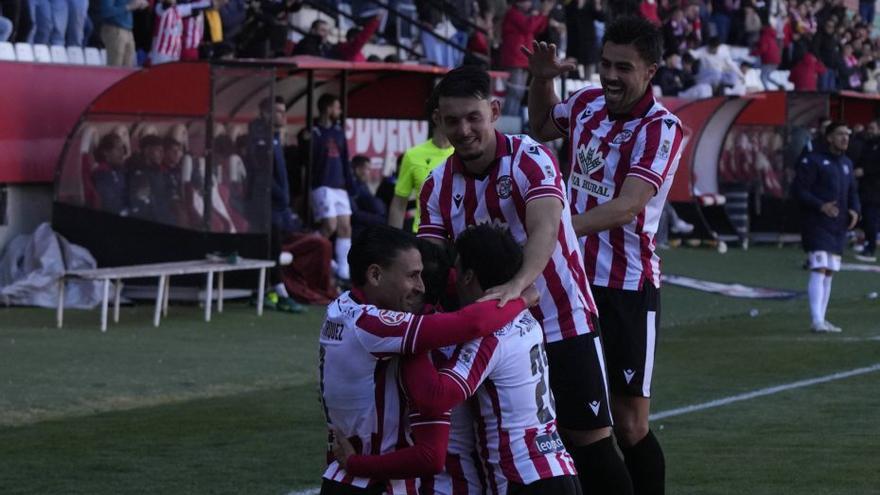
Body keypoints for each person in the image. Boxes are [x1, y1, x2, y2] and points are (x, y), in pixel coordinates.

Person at [418, 65, 632, 495]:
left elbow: (545, 230)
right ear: (438, 122)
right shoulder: (436, 184)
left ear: (494, 111)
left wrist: (517, 287)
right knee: (501, 449)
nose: (464, 129)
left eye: (473, 117)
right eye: (452, 119)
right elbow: (432, 264)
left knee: (587, 441)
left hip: (560, 322)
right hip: (492, 337)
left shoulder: (530, 157)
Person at [525, 15, 686, 495]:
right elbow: (539, 124)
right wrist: (540, 78)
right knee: (575, 418)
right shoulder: (586, 103)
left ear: (651, 70)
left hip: (627, 289)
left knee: (630, 425)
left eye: (624, 67)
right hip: (572, 286)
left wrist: (553, 230)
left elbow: (628, 205)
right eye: (605, 64)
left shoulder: (662, 128)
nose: (610, 76)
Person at [331, 225, 579, 494]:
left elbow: (434, 398)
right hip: (556, 465)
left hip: (520, 479)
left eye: (457, 270)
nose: (453, 278)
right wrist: (522, 297)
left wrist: (415, 341)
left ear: (468, 276)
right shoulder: (526, 321)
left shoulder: (488, 335)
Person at [793, 122, 860, 332]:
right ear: (829, 137)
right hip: (817, 223)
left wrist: (855, 211)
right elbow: (799, 190)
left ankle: (822, 318)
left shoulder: (847, 163)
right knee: (819, 267)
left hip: (838, 224)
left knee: (829, 270)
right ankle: (816, 320)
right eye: (840, 134)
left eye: (847, 134)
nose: (845, 138)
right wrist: (820, 205)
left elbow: (853, 192)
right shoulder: (813, 160)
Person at [248, 96, 306, 313]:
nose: (283, 115)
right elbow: (262, 174)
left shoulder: (272, 136)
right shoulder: (259, 137)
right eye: (278, 111)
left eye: (284, 111)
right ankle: (279, 293)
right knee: (270, 249)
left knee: (273, 247)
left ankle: (267, 292)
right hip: (265, 204)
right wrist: (281, 194)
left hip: (277, 204)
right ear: (265, 113)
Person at [388, 97, 453, 233]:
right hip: (424, 236)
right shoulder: (413, 155)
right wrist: (393, 245)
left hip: (458, 237)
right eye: (452, 112)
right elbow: (399, 204)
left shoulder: (465, 153)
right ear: (436, 117)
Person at [310, 93, 354, 283]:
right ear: (328, 108)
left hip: (339, 186)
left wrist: (349, 183)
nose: (340, 111)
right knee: (330, 225)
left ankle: (343, 270)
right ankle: (313, 248)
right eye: (337, 107)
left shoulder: (338, 132)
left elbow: (345, 159)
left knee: (345, 227)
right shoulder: (313, 132)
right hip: (322, 185)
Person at [855, 120, 880, 262]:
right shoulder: (867, 144)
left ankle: (870, 248)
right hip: (864, 187)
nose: (869, 130)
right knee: (864, 216)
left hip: (875, 190)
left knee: (871, 217)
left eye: (872, 128)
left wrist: (865, 171)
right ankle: (865, 243)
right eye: (868, 128)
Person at [98, 0, 150, 67]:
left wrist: (140, 3)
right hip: (115, 29)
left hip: (128, 31)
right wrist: (128, 7)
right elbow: (105, 11)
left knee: (127, 69)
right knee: (115, 66)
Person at [91, 132, 130, 215]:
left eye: (122, 148)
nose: (122, 153)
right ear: (105, 152)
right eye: (118, 149)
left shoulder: (122, 170)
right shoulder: (101, 174)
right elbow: (110, 203)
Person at [349, 155, 387, 236]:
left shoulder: (363, 185)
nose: (370, 173)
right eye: (368, 169)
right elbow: (354, 214)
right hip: (355, 227)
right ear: (358, 170)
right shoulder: (350, 187)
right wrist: (380, 219)